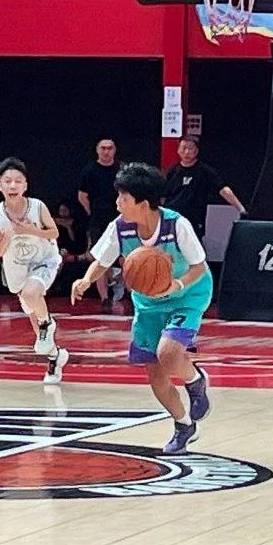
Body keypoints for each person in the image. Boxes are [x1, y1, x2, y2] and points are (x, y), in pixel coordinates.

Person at [70, 163, 211, 455]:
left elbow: (199, 266)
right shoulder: (119, 227)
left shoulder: (176, 225)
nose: (117, 203)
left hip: (188, 295)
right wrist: (85, 280)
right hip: (148, 303)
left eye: (123, 198)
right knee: (156, 375)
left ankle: (195, 381)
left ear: (143, 203)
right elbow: (102, 261)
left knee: (168, 353)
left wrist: (177, 285)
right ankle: (183, 425)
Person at [0, 157, 69, 384]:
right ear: (0, 185)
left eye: (18, 181)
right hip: (17, 268)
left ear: (25, 185)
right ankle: (55, 357)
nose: (13, 185)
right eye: (8, 181)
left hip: (44, 260)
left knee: (32, 293)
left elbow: (54, 233)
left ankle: (47, 323)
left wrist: (32, 230)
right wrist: (10, 234)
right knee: (40, 337)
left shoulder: (37, 206)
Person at [161, 137, 247, 236]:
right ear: (178, 150)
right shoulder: (172, 171)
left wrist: (241, 209)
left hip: (194, 221)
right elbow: (163, 195)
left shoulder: (205, 171)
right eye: (183, 148)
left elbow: (223, 189)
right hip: (172, 219)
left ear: (197, 150)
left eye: (190, 148)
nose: (187, 152)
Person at [77, 138, 124, 310]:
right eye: (103, 148)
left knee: (126, 258)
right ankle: (104, 298)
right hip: (98, 220)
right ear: (97, 150)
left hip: (121, 219)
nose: (106, 151)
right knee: (100, 258)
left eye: (109, 148)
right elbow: (82, 196)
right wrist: (92, 213)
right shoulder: (89, 171)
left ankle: (132, 294)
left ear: (114, 150)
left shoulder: (122, 169)